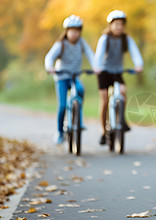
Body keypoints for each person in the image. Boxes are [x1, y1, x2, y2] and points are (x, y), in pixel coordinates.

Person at [45, 15, 96, 144]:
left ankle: (78, 117)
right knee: (62, 105)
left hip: (75, 76)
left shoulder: (81, 43)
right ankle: (59, 132)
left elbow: (91, 55)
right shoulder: (61, 44)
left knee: (80, 89)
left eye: (77, 31)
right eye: (72, 31)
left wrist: (96, 68)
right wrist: (50, 67)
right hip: (62, 77)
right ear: (66, 31)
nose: (74, 33)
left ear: (80, 32)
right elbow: (49, 57)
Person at [95, 10, 143, 145]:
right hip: (104, 72)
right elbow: (98, 55)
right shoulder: (105, 38)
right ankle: (103, 131)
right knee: (104, 99)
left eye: (121, 24)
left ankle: (121, 118)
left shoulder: (126, 39)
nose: (118, 27)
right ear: (110, 25)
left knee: (122, 91)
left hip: (117, 72)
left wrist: (138, 65)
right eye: (116, 24)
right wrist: (97, 67)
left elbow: (135, 53)